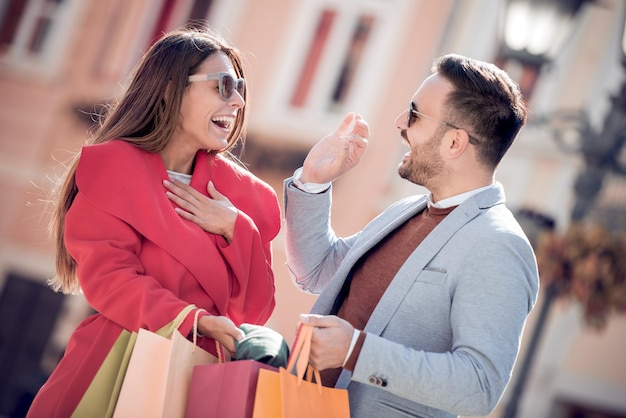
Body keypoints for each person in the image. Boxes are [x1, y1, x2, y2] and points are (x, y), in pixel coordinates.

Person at [27, 27, 281, 417]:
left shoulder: (243, 198)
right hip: (114, 366)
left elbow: (253, 312)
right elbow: (110, 280)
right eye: (224, 86)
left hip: (199, 383)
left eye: (241, 88)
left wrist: (236, 227)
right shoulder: (113, 168)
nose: (238, 102)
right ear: (169, 88)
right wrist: (194, 321)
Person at [284, 54, 539, 418]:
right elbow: (315, 270)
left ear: (454, 143)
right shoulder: (406, 212)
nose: (400, 123)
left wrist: (357, 351)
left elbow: (480, 385)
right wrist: (312, 181)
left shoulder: (499, 245)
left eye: (414, 114)